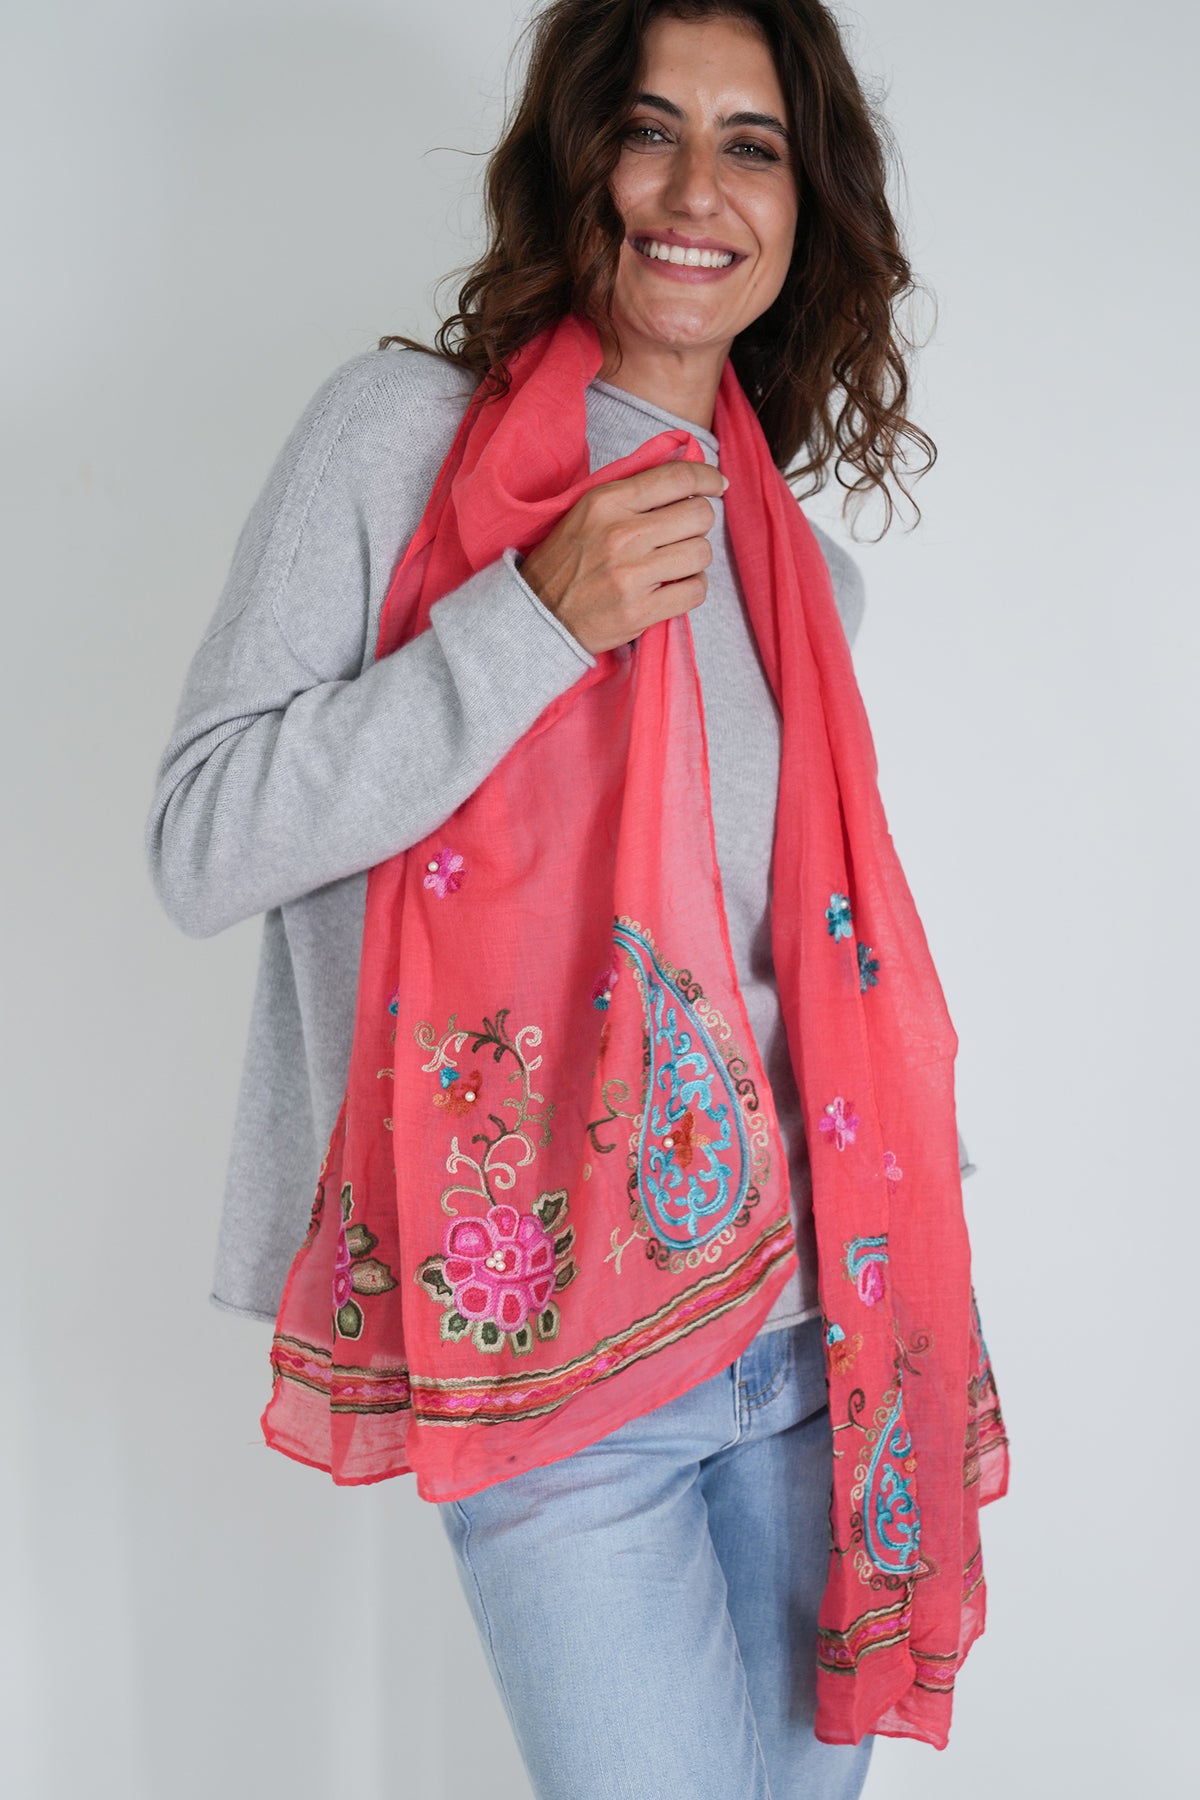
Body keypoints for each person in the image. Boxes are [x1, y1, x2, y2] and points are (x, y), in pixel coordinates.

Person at [145, 3, 1008, 1797]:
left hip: (812, 1335)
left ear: (806, 203)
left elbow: (810, 986)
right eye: (649, 128)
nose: (697, 188)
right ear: (577, 160)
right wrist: (527, 621)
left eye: (753, 143)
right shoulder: (402, 441)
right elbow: (203, 837)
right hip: (556, 1365)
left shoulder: (801, 576)